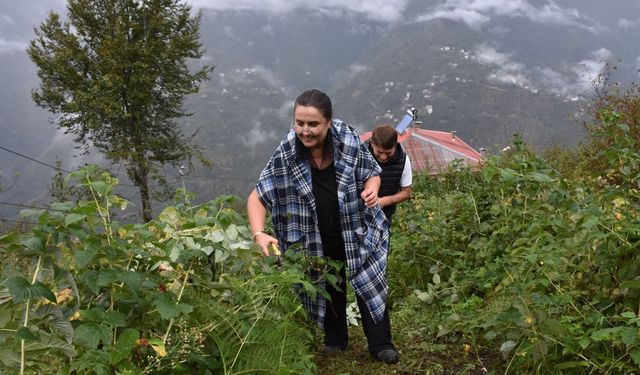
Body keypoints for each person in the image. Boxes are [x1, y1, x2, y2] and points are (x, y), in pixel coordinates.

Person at [246, 89, 400, 364]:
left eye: (313, 124)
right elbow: (258, 195)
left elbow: (371, 174)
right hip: (314, 237)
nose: (305, 131)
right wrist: (259, 233)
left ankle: (381, 344)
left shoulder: (347, 141)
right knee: (328, 283)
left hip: (356, 230)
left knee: (368, 282)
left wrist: (371, 190)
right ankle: (335, 340)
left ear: (328, 122)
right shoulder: (287, 152)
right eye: (300, 123)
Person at [367, 125, 412, 225]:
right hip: (359, 213)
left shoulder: (403, 161)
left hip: (385, 215)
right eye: (379, 152)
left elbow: (406, 193)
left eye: (388, 153)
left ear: (395, 146)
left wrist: (384, 201)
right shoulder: (361, 155)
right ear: (372, 143)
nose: (383, 157)